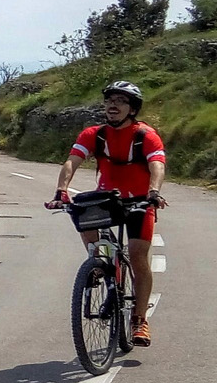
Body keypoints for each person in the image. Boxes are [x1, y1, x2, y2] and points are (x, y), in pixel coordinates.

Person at [44, 81, 168, 346]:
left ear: (132, 109)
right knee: (81, 212)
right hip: (108, 197)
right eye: (110, 100)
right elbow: (72, 161)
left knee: (137, 254)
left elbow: (157, 164)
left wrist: (154, 192)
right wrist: (61, 190)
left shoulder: (146, 135)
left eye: (121, 101)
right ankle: (99, 264)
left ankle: (139, 320)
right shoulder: (94, 134)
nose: (113, 105)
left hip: (140, 200)